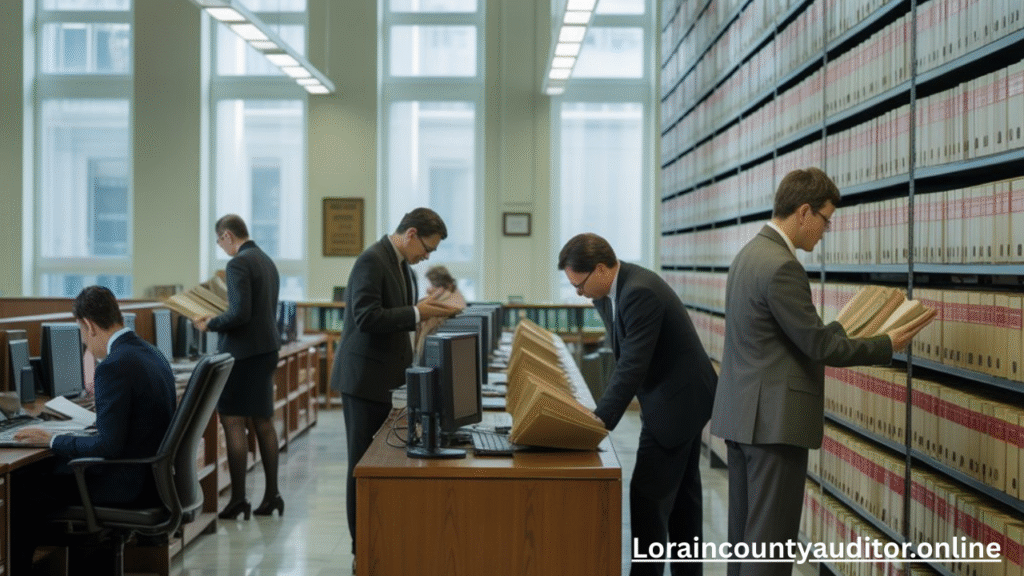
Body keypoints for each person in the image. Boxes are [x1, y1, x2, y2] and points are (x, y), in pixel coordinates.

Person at [709, 168, 936, 576]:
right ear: (803, 211)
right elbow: (819, 345)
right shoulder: (783, 267)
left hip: (741, 417)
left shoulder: (748, 255)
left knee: (745, 542)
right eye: (825, 219)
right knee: (770, 547)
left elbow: (784, 337)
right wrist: (887, 344)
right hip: (773, 425)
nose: (826, 231)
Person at [558, 233, 718, 576]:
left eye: (579, 284)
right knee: (682, 501)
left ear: (601, 269)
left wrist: (599, 421)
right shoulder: (611, 293)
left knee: (648, 498)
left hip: (677, 402)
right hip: (677, 396)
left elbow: (632, 364)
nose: (578, 293)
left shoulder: (639, 292)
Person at [12, 286, 177, 572]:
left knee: (21, 489)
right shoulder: (152, 353)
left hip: (125, 485)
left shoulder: (114, 366)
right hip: (152, 480)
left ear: (88, 325)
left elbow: (108, 447)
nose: (87, 348)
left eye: (82, 335)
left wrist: (53, 439)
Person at [330, 207, 458, 560]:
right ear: (411, 233)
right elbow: (366, 317)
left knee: (382, 465)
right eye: (427, 248)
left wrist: (424, 310)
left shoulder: (402, 264)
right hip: (363, 380)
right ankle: (361, 550)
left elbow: (399, 315)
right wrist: (420, 312)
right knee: (362, 466)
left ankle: (378, 539)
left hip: (386, 379)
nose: (427, 257)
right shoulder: (372, 260)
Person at [195, 214, 283, 520]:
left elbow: (240, 314)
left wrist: (210, 323)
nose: (222, 248)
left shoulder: (238, 264)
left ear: (228, 235)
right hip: (266, 351)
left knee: (233, 423)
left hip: (243, 355)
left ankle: (239, 500)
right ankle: (272, 495)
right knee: (262, 422)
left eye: (220, 241)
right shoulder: (266, 261)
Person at [414, 265, 468, 361]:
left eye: (430, 285)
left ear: (440, 287)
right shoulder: (454, 295)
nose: (428, 289)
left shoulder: (444, 303)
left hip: (430, 354)